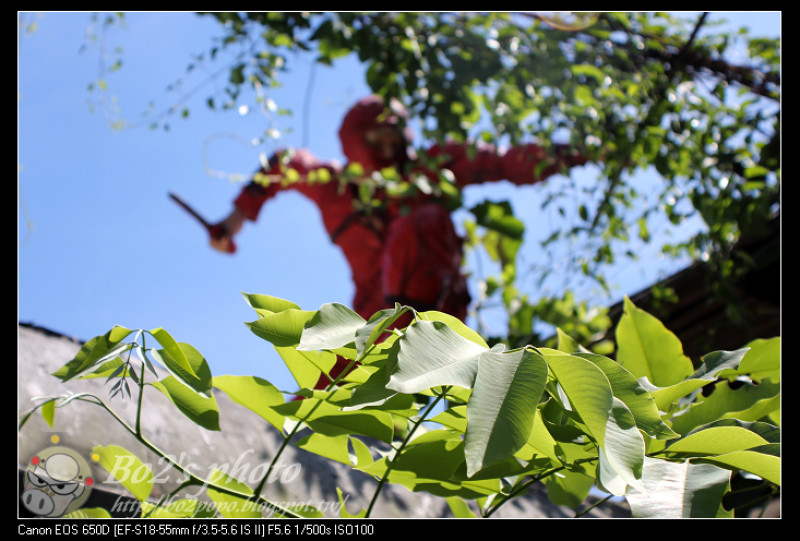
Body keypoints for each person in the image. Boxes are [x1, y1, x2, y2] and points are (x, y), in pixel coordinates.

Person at [210, 95, 587, 388]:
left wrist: (580, 152)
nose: (389, 152)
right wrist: (233, 221)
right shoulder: (335, 188)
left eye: (395, 141)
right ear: (356, 143)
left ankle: (418, 345)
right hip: (372, 314)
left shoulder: (429, 170)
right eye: (378, 142)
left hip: (435, 309)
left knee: (422, 220)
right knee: (325, 396)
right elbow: (285, 162)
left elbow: (503, 161)